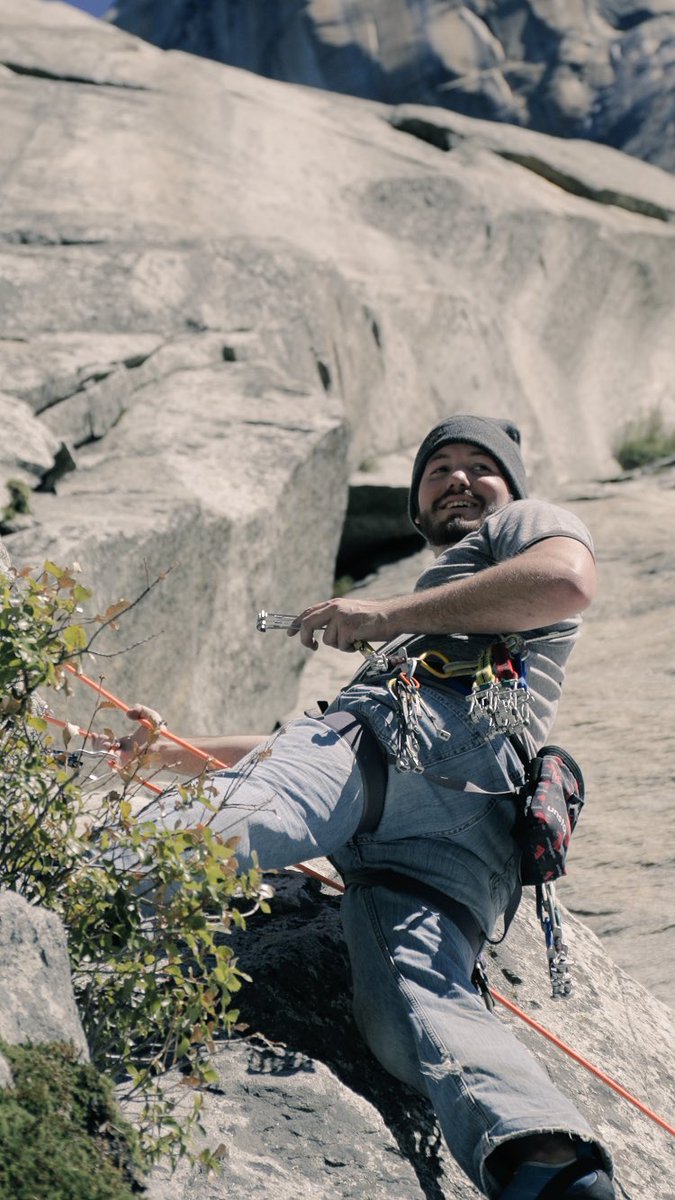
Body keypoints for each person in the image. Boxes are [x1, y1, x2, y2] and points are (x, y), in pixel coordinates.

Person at [119, 415, 615, 1199]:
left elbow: (565, 580)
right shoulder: (440, 608)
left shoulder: (525, 525)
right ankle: (548, 1168)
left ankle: (78, 894)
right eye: (437, 468)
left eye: (480, 466)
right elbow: (316, 751)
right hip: (463, 821)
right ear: (415, 507)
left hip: (418, 748)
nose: (457, 477)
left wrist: (383, 614)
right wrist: (166, 753)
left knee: (223, 827)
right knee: (411, 1008)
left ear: (513, 490)